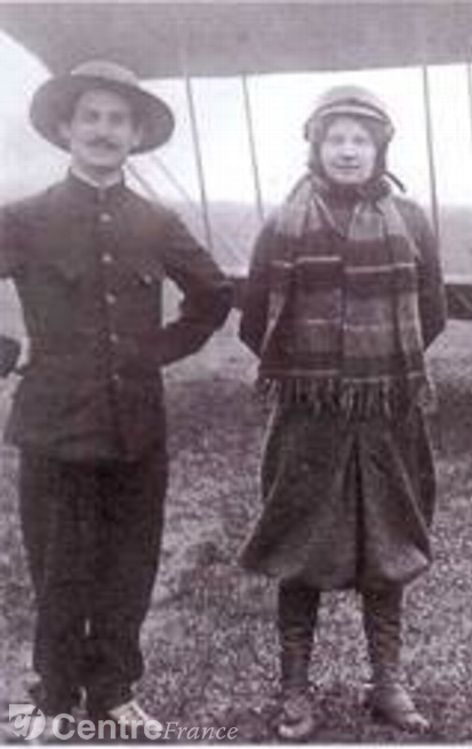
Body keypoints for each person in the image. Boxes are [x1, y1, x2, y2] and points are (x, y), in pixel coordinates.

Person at [0, 60, 232, 734]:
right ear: (66, 128)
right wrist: (13, 353)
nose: (104, 131)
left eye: (118, 120)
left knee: (130, 564)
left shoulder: (156, 221)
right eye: (92, 117)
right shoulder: (26, 218)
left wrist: (156, 350)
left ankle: (113, 694)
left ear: (136, 136)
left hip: (137, 430)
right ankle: (52, 698)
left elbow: (215, 295)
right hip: (53, 430)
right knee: (60, 568)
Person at [238, 85, 446, 740]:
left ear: (379, 147)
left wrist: (376, 368)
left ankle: (387, 684)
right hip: (308, 414)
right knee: (298, 543)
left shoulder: (410, 220)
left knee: (390, 542)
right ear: (316, 147)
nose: (348, 150)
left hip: (388, 411)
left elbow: (431, 311)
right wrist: (317, 372)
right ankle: (294, 688)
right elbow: (255, 320)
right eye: (336, 138)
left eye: (361, 138)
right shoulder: (283, 223)